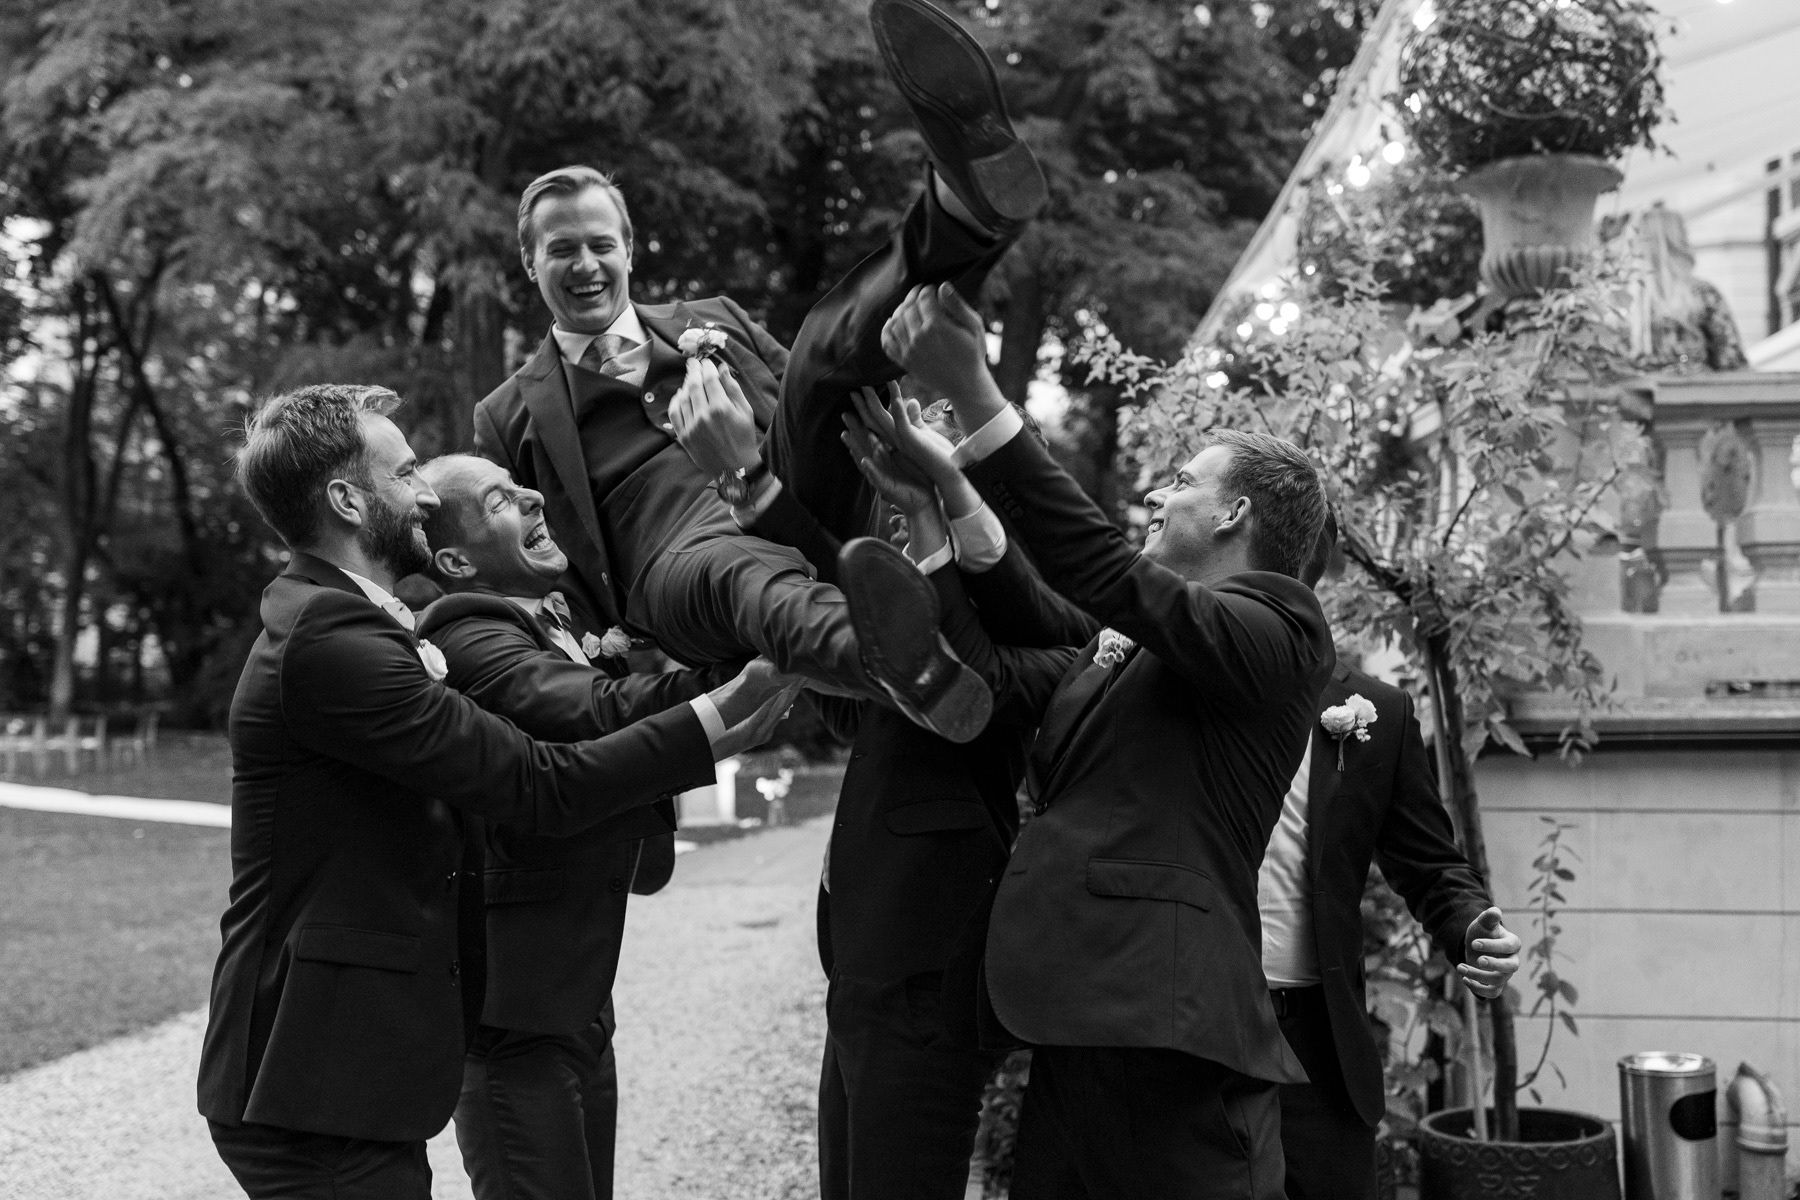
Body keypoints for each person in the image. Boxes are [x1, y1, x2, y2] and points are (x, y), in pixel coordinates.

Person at [197, 384, 796, 1200]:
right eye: (406, 473)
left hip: (346, 1074)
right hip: (310, 1080)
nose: (425, 495)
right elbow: (533, 782)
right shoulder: (330, 638)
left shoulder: (346, 622)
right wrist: (716, 717)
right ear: (347, 500)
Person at [471, 0, 1047, 745]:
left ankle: (960, 218)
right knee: (740, 570)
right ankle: (904, 665)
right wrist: (598, 647)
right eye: (561, 250)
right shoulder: (507, 413)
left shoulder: (714, 315)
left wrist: (905, 444)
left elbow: (814, 402)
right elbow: (525, 554)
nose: (586, 264)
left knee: (820, 355)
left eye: (601, 244)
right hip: (672, 562)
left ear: (629, 250)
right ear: (529, 263)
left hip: (784, 483)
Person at [872, 282, 1334, 1199]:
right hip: (1076, 1018)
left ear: (1236, 516)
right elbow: (1017, 645)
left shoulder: (1279, 630)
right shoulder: (1141, 641)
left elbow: (1103, 572)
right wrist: (937, 506)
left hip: (1170, 1025)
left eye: (1183, 483)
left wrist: (978, 396)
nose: (1160, 494)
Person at [408, 453, 749, 1200]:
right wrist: (739, 682)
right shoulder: (464, 634)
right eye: (500, 499)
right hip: (512, 1016)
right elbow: (595, 708)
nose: (533, 495)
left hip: (575, 995)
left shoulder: (556, 619)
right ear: (456, 561)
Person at [1260, 516, 1521, 1200]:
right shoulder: (1174, 686)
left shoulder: (1375, 712)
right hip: (1191, 1031)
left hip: (1315, 1046)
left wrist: (1473, 930)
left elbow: (1432, 866)